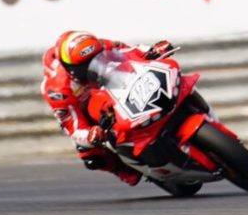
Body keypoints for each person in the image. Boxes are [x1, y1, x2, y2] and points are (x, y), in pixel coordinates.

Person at [40, 31, 175, 186]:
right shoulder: (57, 91)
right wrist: (90, 135)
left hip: (113, 82)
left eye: (97, 59)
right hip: (86, 108)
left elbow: (128, 50)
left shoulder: (101, 45)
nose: (93, 66)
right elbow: (73, 128)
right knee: (91, 157)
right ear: (69, 69)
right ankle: (123, 168)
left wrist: (152, 50)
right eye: (85, 66)